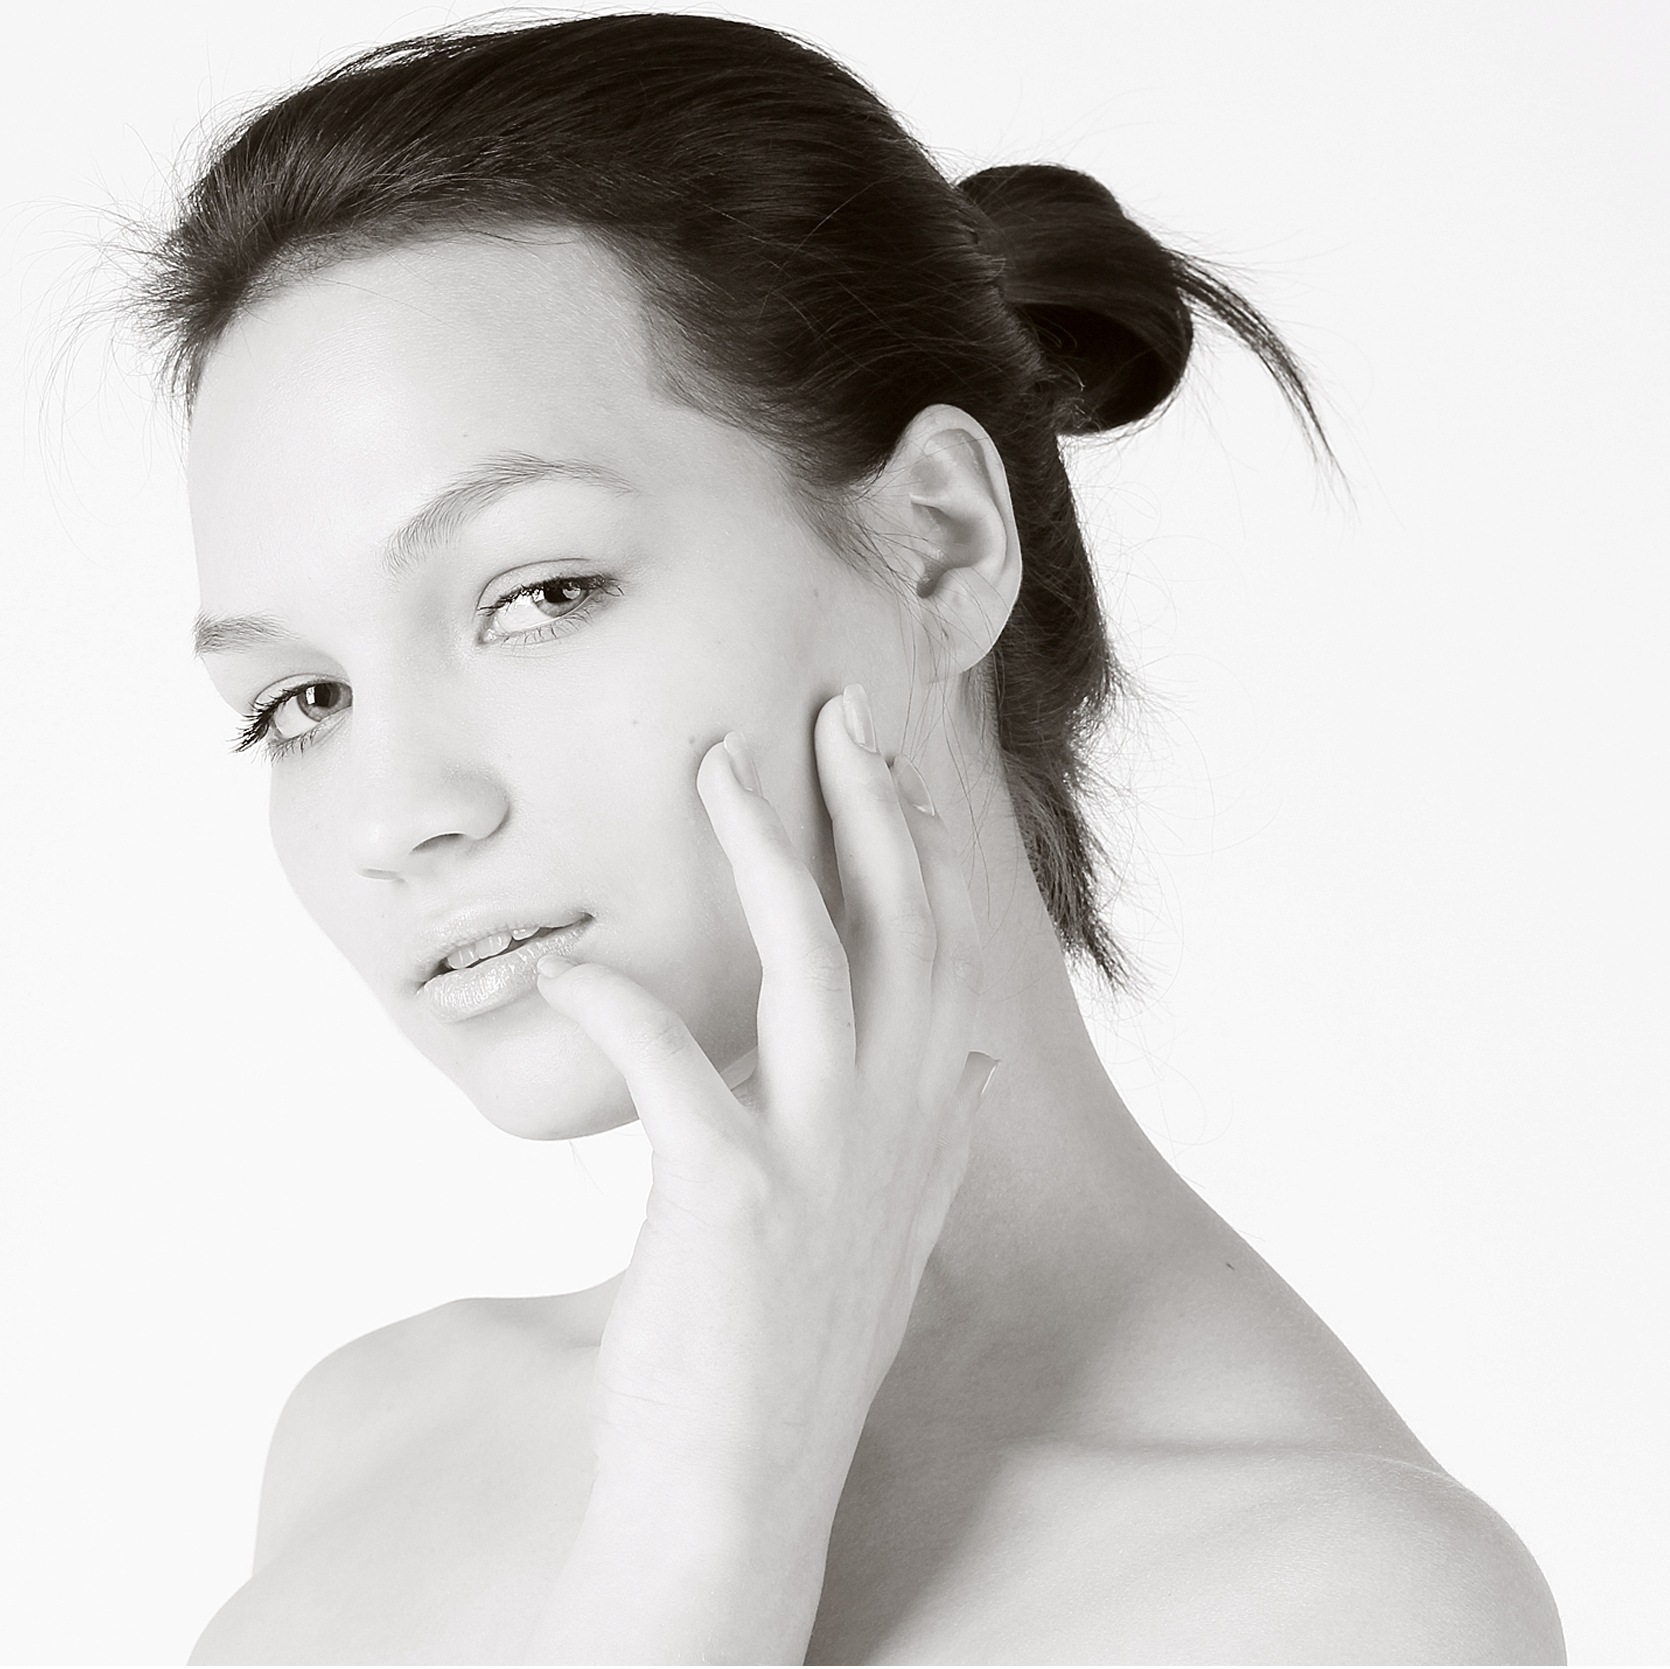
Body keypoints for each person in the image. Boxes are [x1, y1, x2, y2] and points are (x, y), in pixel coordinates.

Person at [144, 12, 1564, 1663]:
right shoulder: (371, 1438)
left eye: (539, 594)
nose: (399, 813)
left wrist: (713, 1512)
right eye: (301, 700)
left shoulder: (1339, 1602)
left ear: (938, 544)